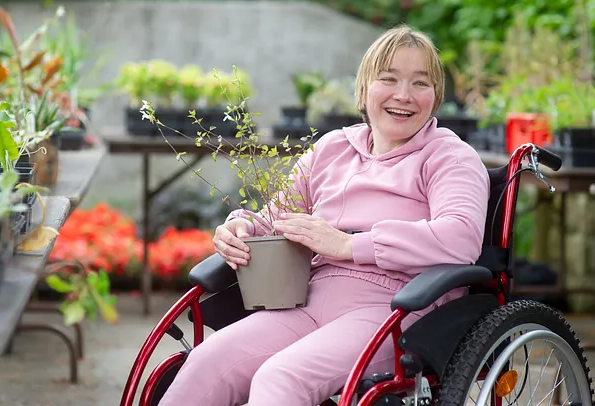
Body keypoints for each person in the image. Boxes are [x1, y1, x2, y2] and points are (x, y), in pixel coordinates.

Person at [158, 24, 490, 406]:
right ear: (364, 89)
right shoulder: (333, 148)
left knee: (281, 378)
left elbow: (460, 238)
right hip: (309, 301)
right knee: (207, 361)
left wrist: (350, 245)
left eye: (421, 83)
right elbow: (278, 216)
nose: (404, 95)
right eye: (389, 79)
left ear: (436, 95)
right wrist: (241, 227)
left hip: (396, 309)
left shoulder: (449, 157)